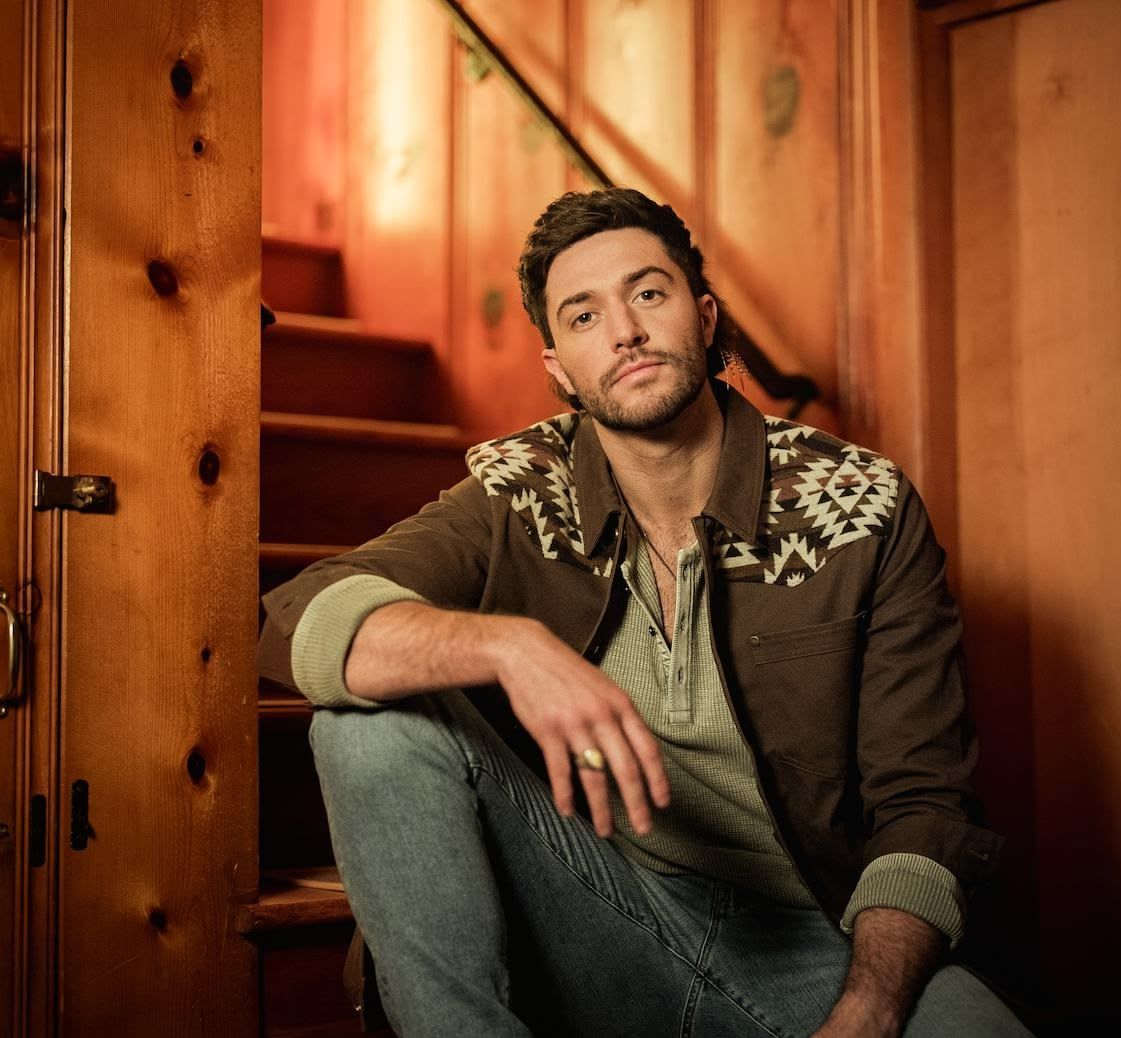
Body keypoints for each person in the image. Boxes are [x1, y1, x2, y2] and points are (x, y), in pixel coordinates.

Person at [258, 187, 1031, 1037]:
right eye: (583, 316)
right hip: (593, 914)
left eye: (648, 294)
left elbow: (925, 804)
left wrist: (870, 1008)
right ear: (559, 368)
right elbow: (298, 618)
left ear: (703, 318)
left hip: (814, 939)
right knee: (366, 723)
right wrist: (513, 649)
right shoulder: (522, 492)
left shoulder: (860, 507)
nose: (623, 330)